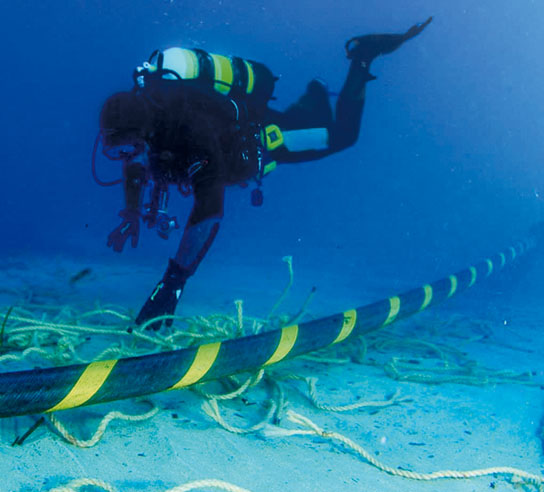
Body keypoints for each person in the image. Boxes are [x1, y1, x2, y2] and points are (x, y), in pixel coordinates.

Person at [96, 17, 433, 330]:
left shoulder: (191, 131)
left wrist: (173, 283)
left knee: (342, 135)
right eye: (118, 150)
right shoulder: (149, 125)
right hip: (243, 135)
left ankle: (362, 57)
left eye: (127, 146)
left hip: (267, 141)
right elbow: (136, 164)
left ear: (144, 130)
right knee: (297, 120)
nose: (126, 157)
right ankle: (313, 97)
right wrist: (131, 211)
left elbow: (209, 209)